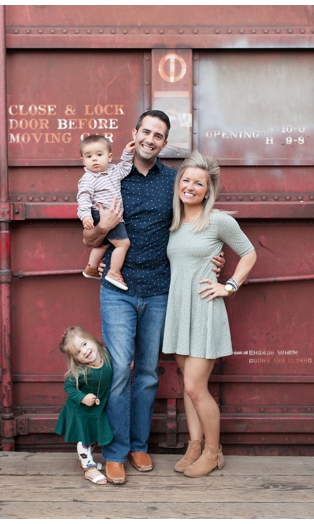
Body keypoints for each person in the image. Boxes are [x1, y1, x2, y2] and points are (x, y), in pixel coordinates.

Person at [83, 110, 224, 485]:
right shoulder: (113, 177)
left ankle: (138, 445)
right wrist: (104, 227)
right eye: (145, 131)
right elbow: (89, 239)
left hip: (161, 290)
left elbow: (193, 223)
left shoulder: (172, 182)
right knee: (118, 373)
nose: (150, 139)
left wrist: (213, 256)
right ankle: (114, 453)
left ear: (164, 143)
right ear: (135, 134)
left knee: (147, 374)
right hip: (118, 290)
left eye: (158, 135)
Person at [162, 151, 257, 477]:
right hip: (179, 311)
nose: (190, 186)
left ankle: (214, 452)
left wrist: (228, 286)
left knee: (194, 386)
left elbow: (248, 253)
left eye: (198, 183)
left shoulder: (218, 220)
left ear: (207, 189)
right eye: (186, 180)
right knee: (187, 386)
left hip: (204, 310)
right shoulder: (173, 222)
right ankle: (194, 444)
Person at [55, 326, 113, 485]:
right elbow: (68, 387)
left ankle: (86, 461)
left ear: (92, 339)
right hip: (80, 411)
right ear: (76, 359)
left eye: (84, 344)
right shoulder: (81, 372)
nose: (84, 351)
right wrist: (82, 397)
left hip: (96, 409)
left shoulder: (106, 355)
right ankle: (89, 469)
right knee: (84, 440)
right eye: (78, 353)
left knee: (92, 437)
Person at [77, 135, 136, 290]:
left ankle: (91, 267)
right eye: (89, 157)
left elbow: (125, 168)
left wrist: (127, 153)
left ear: (109, 157)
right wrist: (86, 216)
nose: (94, 160)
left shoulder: (114, 172)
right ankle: (114, 272)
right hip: (102, 215)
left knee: (103, 244)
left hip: (112, 215)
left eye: (99, 155)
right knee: (123, 244)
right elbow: (83, 198)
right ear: (83, 161)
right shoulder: (88, 178)